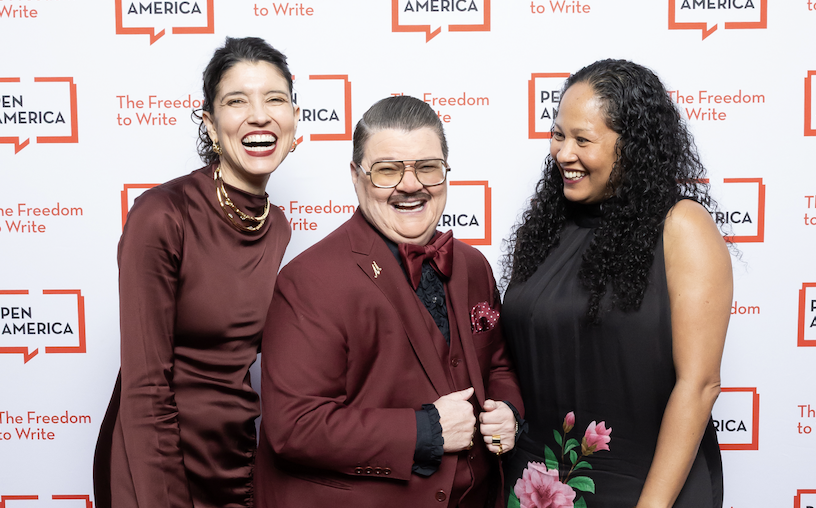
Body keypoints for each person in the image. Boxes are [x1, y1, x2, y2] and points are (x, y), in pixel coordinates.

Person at [254, 95, 524, 508]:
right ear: (356, 176)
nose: (411, 185)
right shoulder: (309, 281)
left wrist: (508, 410)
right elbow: (293, 426)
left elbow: (499, 362)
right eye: (388, 170)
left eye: (428, 168)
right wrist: (425, 430)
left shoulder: (473, 265)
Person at [502, 59, 732, 508]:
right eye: (558, 134)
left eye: (582, 140)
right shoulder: (547, 227)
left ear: (632, 147)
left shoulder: (681, 227)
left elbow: (699, 384)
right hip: (537, 487)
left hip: (645, 489)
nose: (563, 153)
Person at [93, 37, 299, 508]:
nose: (259, 115)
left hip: (237, 462)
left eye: (274, 99)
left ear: (294, 118)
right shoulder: (162, 215)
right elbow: (145, 387)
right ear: (209, 122)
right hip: (156, 466)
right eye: (236, 101)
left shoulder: (278, 227)